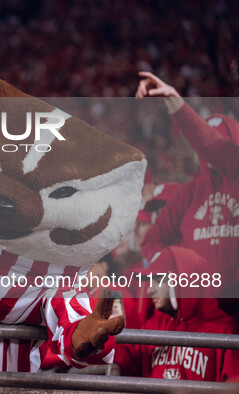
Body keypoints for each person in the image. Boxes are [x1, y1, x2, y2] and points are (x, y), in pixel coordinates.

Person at [136, 72, 239, 299]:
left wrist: (176, 103)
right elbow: (152, 240)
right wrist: (173, 269)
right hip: (197, 310)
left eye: (217, 144)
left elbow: (211, 144)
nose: (210, 154)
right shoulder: (189, 193)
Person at [114, 246, 239, 381]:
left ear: (180, 281)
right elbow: (123, 365)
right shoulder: (153, 326)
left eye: (157, 281)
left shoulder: (225, 330)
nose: (150, 290)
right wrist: (106, 337)